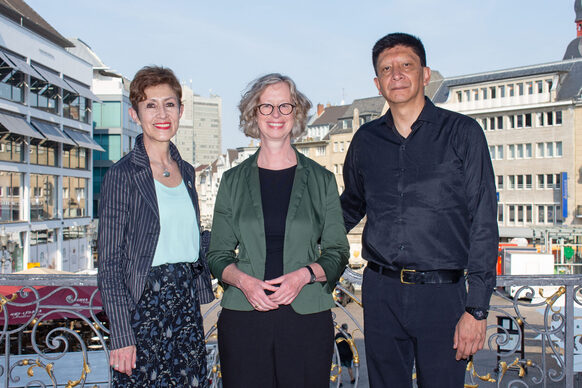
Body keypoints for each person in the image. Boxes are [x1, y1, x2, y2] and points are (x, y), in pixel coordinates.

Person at [340, 33, 498, 387]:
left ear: (425, 74)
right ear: (377, 83)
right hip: (381, 293)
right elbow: (350, 206)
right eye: (387, 69)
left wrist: (477, 308)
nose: (396, 74)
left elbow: (484, 222)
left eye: (406, 65)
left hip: (443, 297)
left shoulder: (463, 134)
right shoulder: (366, 140)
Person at [207, 73, 350, 388]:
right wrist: (244, 282)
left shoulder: (321, 180)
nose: (275, 115)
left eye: (284, 106)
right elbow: (217, 255)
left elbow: (338, 252)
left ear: (296, 114)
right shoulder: (232, 181)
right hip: (245, 314)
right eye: (266, 107)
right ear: (253, 114)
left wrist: (304, 275)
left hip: (307, 318)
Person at [97, 66, 214, 387]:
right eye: (150, 105)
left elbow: (189, 240)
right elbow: (108, 264)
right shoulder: (122, 175)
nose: (162, 113)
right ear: (135, 114)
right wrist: (121, 335)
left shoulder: (187, 172)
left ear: (181, 110)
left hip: (185, 307)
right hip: (142, 309)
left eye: (169, 104)